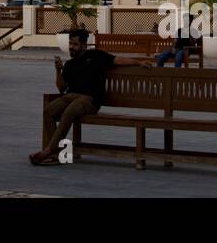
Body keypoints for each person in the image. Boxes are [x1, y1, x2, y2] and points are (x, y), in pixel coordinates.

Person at [30, 29, 149, 165]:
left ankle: (48, 151)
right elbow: (62, 88)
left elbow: (118, 60)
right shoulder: (69, 64)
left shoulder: (96, 56)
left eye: (75, 44)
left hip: (89, 100)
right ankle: (54, 155)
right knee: (49, 111)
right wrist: (58, 70)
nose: (71, 47)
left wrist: (139, 63)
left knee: (69, 112)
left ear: (84, 45)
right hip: (71, 96)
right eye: (70, 44)